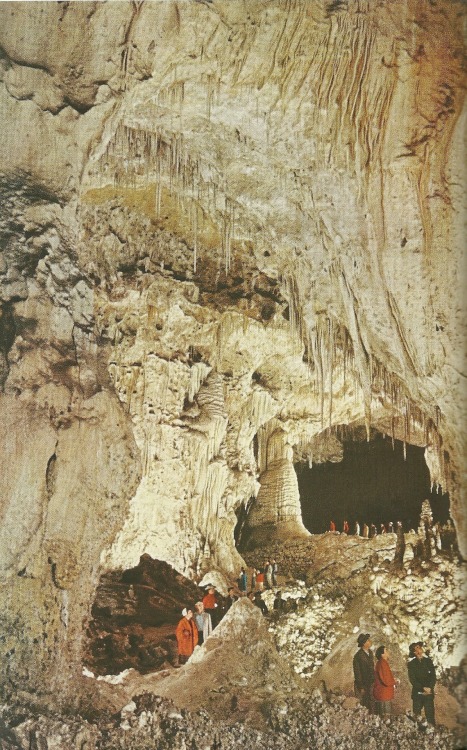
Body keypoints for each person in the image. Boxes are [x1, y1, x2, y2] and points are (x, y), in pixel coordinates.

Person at [408, 642, 436, 725]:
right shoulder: (411, 664)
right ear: (414, 652)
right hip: (418, 694)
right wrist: (423, 688)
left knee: (430, 716)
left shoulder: (428, 661)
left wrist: (430, 688)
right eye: (416, 649)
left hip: (429, 693)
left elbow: (433, 676)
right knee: (416, 717)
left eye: (419, 647)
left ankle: (432, 732)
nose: (419, 649)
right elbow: (413, 680)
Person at [373, 645, 398, 716]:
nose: (388, 652)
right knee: (385, 717)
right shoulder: (382, 663)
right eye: (386, 650)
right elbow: (386, 681)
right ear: (382, 654)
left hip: (384, 694)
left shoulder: (382, 663)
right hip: (383, 695)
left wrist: (393, 680)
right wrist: (395, 682)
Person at [353, 633, 374, 711]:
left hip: (371, 681)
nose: (370, 641)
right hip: (364, 683)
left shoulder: (370, 653)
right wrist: (361, 686)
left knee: (372, 700)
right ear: (364, 643)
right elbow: (357, 673)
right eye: (368, 640)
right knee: (365, 702)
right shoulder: (358, 656)